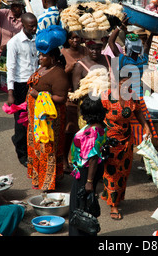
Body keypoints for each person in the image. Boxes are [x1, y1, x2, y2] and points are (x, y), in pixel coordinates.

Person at [100, 74, 152, 220]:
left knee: (124, 171)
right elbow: (97, 116)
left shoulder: (132, 95)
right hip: (110, 140)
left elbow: (138, 111)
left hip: (127, 140)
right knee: (112, 172)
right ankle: (113, 205)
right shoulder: (106, 96)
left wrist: (145, 126)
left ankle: (115, 196)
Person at [27, 25, 69, 191]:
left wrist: (40, 95)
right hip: (36, 120)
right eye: (40, 55)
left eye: (44, 55)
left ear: (53, 58)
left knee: (47, 149)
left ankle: (48, 183)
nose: (40, 58)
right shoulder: (43, 68)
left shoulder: (58, 74)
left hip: (49, 122)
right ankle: (39, 177)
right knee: (37, 148)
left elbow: (61, 97)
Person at [69, 94, 107, 236]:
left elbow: (92, 158)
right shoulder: (101, 127)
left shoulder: (91, 133)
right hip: (93, 170)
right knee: (86, 204)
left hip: (86, 172)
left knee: (79, 206)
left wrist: (89, 182)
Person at [6, 13, 39, 167]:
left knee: (33, 119)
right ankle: (22, 154)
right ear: (23, 25)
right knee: (21, 121)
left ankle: (29, 147)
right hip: (20, 85)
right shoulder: (14, 42)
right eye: (31, 26)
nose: (34, 28)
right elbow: (11, 68)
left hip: (34, 84)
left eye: (35, 25)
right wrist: (10, 93)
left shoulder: (36, 40)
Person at [61, 31, 86, 172]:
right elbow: (59, 73)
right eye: (72, 38)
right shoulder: (63, 53)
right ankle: (65, 159)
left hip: (85, 95)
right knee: (69, 129)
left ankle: (81, 160)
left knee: (83, 130)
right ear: (67, 39)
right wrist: (69, 68)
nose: (75, 40)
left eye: (77, 37)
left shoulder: (86, 50)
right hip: (70, 96)